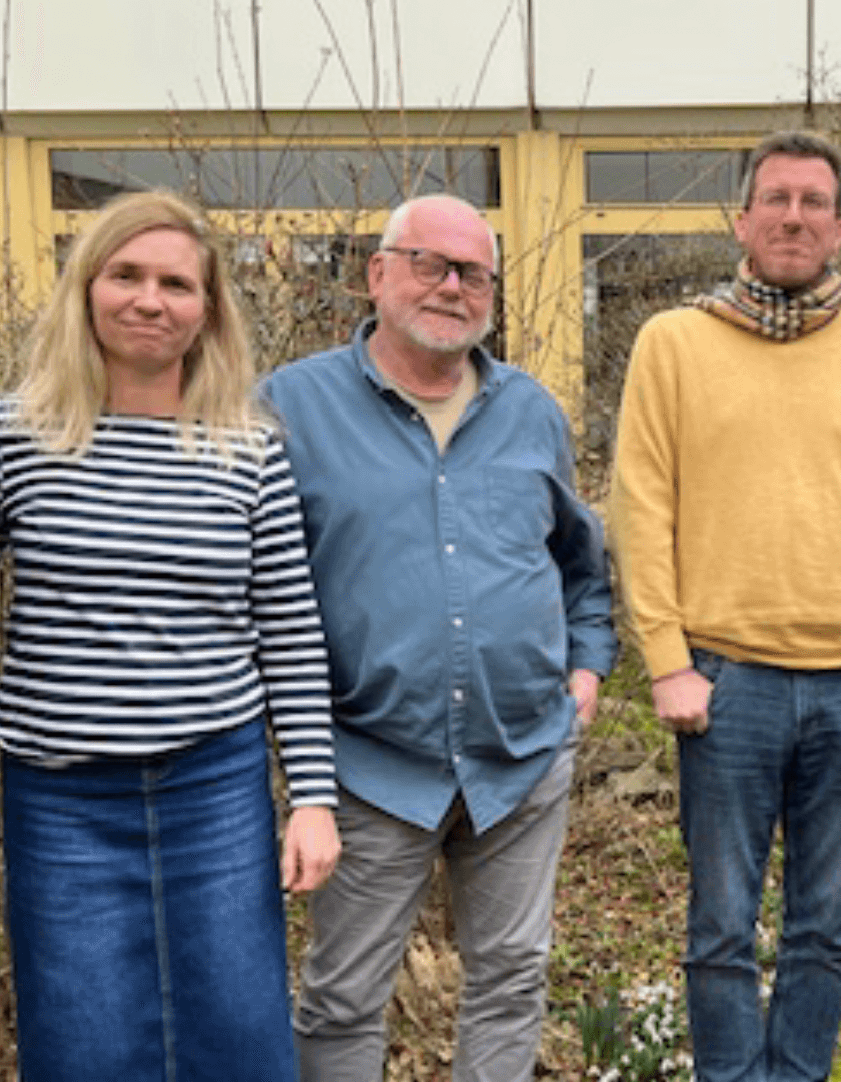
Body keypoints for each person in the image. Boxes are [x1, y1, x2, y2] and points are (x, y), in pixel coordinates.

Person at [0, 189, 340, 1080]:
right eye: (125, 275)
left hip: (213, 781)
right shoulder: (18, 435)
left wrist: (313, 797)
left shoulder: (249, 447)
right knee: (84, 1035)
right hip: (63, 795)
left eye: (176, 283)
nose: (149, 300)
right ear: (86, 289)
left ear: (207, 311)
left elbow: (288, 629)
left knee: (238, 1030)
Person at [611, 130, 841, 1082]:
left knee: (825, 929)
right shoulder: (673, 342)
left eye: (814, 201)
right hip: (724, 685)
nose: (794, 216)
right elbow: (640, 508)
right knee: (720, 928)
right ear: (743, 219)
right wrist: (667, 660)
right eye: (777, 199)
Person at [269, 193, 616, 1082]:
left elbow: (580, 559)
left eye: (473, 272)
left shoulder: (531, 409)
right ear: (378, 273)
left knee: (512, 980)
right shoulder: (290, 408)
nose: (452, 286)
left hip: (523, 759)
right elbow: (252, 581)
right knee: (344, 996)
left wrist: (586, 668)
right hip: (369, 763)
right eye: (430, 262)